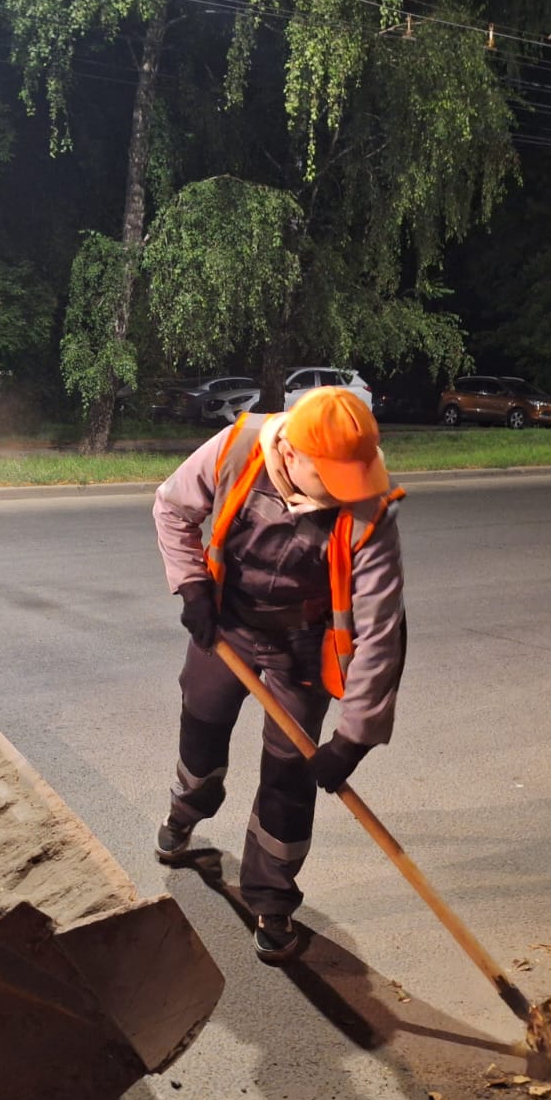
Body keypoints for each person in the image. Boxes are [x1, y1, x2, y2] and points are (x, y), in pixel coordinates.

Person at [151, 386, 407, 963]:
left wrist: (356, 733)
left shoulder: (370, 504)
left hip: (304, 647)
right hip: (226, 628)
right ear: (289, 453)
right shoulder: (238, 446)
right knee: (202, 729)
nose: (349, 495)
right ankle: (184, 815)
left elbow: (381, 631)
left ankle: (271, 901)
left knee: (289, 776)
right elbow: (171, 506)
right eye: (333, 479)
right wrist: (191, 584)